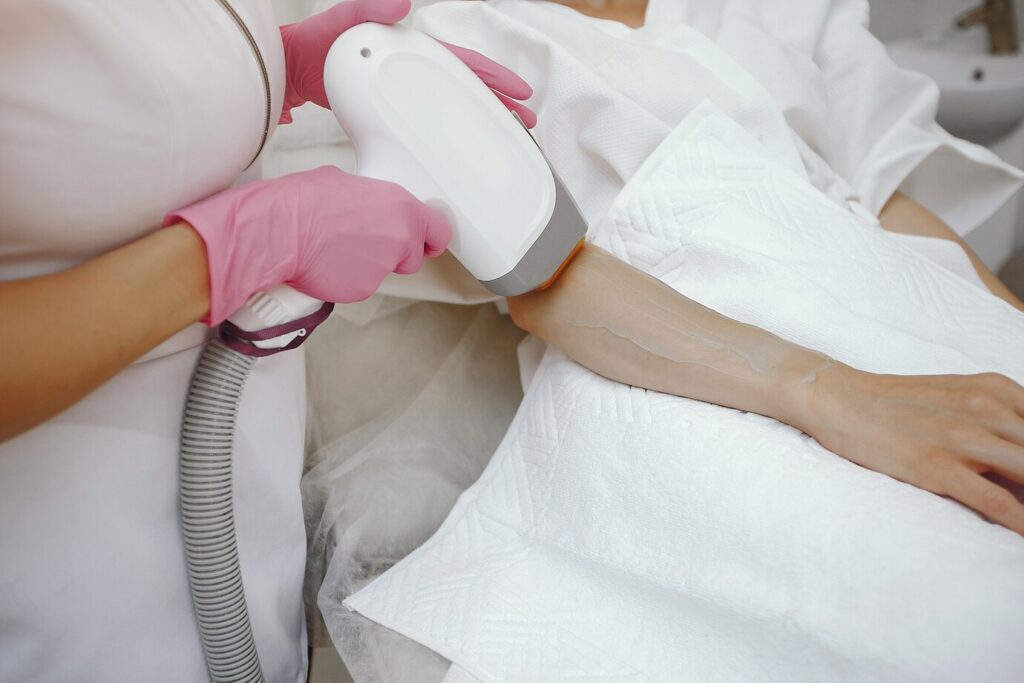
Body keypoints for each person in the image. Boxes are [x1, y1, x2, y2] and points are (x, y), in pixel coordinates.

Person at [0, 0, 534, 680]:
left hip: (229, 484)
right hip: (71, 555)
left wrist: (278, 66)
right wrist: (242, 247)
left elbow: (67, 101)